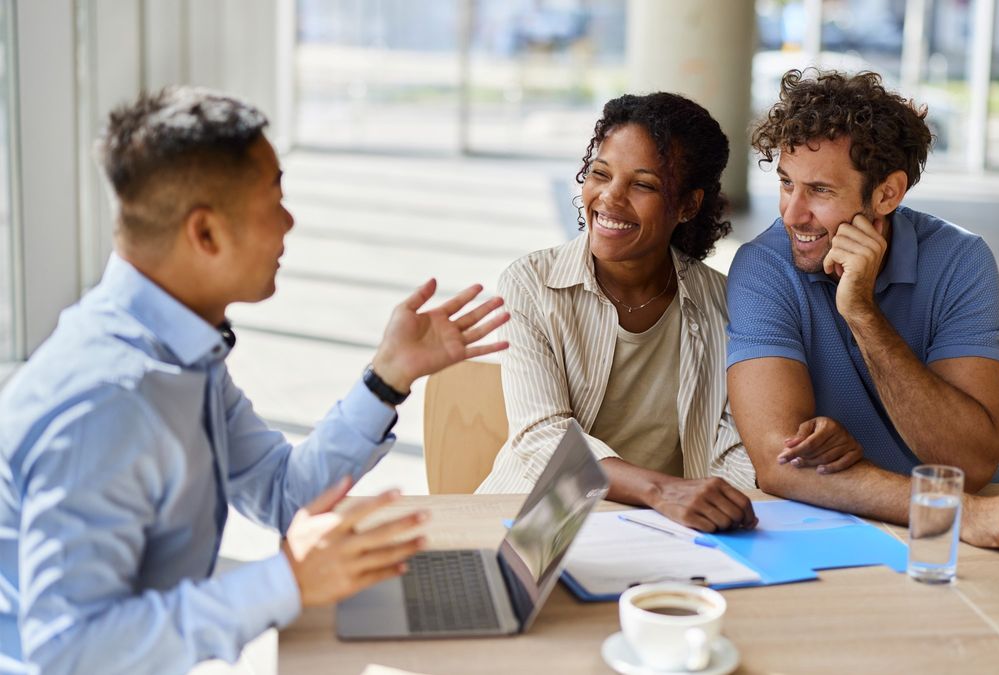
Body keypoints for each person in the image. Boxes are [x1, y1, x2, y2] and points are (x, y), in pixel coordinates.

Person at [0, 87, 508, 673]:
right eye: (276, 198)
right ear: (206, 234)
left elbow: (282, 493)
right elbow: (68, 652)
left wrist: (387, 379)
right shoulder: (107, 402)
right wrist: (286, 580)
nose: (290, 221)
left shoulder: (181, 351)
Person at [727, 69, 999, 552]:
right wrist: (958, 512)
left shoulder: (959, 259)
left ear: (887, 193)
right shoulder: (763, 268)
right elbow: (779, 464)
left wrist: (862, 313)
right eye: (787, 183)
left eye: (820, 191)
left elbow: (969, 464)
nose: (791, 213)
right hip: (846, 523)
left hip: (969, 528)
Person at [478, 93, 808, 532]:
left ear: (688, 205)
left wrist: (750, 488)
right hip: (537, 521)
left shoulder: (723, 303)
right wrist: (661, 490)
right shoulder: (532, 284)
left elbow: (729, 446)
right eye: (600, 173)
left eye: (643, 184)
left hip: (665, 530)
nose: (610, 198)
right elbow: (543, 438)